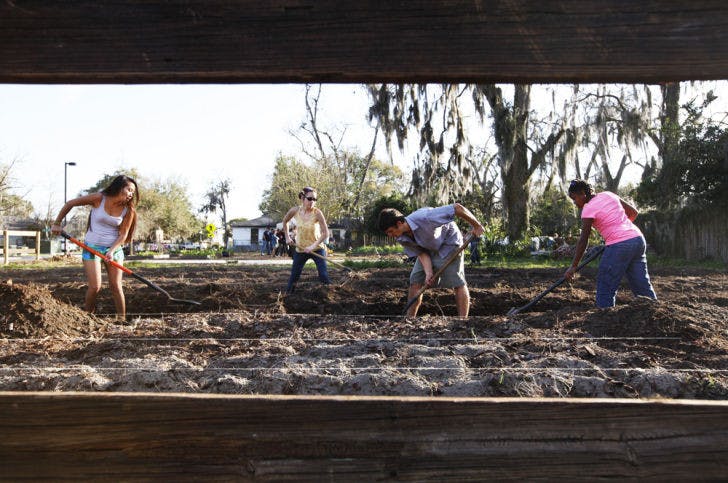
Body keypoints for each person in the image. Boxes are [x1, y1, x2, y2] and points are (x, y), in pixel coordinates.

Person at [51, 175, 139, 318]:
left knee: (116, 286)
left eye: (133, 192)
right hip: (92, 248)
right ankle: (88, 317)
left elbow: (123, 235)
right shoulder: (99, 198)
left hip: (114, 250)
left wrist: (111, 251)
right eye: (129, 190)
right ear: (119, 187)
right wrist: (57, 223)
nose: (131, 194)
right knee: (95, 286)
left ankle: (122, 320)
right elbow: (70, 203)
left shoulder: (128, 210)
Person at [378, 203, 485, 317]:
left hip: (449, 244)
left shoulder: (425, 217)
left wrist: (476, 225)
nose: (390, 235)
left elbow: (457, 208)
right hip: (427, 248)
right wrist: (429, 273)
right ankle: (409, 319)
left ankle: (462, 321)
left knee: (457, 282)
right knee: (415, 281)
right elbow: (421, 253)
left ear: (399, 223)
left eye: (390, 231)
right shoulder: (401, 237)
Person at [564, 179, 657, 308]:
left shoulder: (588, 209)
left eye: (574, 198)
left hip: (619, 244)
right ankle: (653, 313)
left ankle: (604, 319)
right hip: (637, 239)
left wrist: (573, 266)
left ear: (582, 194)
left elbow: (583, 240)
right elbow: (633, 213)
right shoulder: (608, 194)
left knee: (605, 286)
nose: (574, 202)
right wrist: (621, 231)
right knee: (642, 285)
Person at [282, 187, 331, 293]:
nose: (312, 201)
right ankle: (287, 297)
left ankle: (332, 295)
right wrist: (287, 237)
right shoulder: (295, 211)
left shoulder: (317, 213)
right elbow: (285, 221)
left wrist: (312, 246)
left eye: (314, 199)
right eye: (310, 199)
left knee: (323, 275)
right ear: (302, 198)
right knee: (294, 276)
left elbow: (326, 233)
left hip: (317, 249)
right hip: (301, 249)